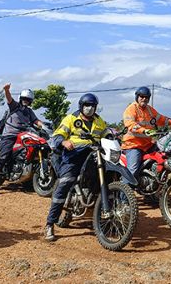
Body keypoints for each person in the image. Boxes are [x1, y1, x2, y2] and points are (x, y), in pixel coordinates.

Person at [44, 93, 108, 242]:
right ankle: (50, 224)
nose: (90, 108)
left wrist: (112, 137)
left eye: (92, 106)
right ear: (81, 106)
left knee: (108, 176)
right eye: (87, 105)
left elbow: (106, 133)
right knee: (65, 183)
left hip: (94, 155)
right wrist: (64, 142)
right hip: (74, 156)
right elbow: (58, 135)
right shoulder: (71, 118)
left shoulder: (99, 121)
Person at [0, 83, 43, 196]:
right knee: (4, 156)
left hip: (23, 136)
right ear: (20, 98)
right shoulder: (15, 106)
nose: (26, 101)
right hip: (9, 136)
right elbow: (9, 99)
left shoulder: (29, 112)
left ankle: (25, 179)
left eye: (28, 100)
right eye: (24, 99)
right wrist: (7, 90)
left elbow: (36, 121)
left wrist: (43, 126)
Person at [121, 86, 171, 182]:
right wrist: (143, 130)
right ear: (137, 97)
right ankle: (123, 196)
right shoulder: (131, 109)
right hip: (133, 145)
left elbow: (161, 119)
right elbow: (130, 124)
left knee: (166, 154)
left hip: (148, 145)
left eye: (147, 97)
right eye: (142, 96)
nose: (144, 99)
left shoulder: (150, 110)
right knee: (132, 171)